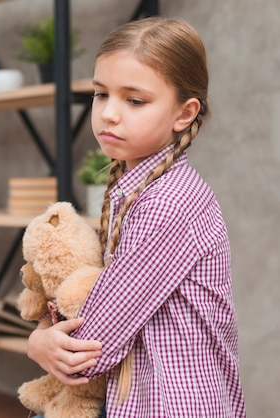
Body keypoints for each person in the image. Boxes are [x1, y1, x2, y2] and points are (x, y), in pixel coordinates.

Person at [26, 17, 246, 417]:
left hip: (172, 405)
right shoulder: (135, 187)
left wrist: (39, 340)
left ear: (184, 113)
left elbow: (93, 346)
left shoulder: (169, 202)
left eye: (135, 100)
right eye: (100, 94)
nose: (109, 113)